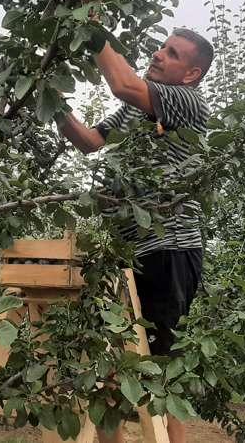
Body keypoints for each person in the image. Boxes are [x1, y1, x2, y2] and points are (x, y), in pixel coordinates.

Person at [55, 28, 213, 443]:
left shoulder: (186, 103)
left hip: (169, 251)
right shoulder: (131, 111)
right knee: (112, 372)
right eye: (161, 46)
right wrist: (51, 103)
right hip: (126, 252)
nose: (159, 55)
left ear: (191, 74)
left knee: (160, 375)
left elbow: (123, 83)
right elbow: (90, 142)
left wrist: (88, 25)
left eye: (172, 53)